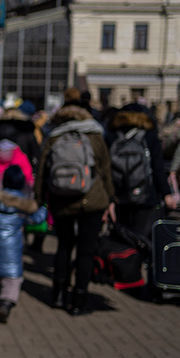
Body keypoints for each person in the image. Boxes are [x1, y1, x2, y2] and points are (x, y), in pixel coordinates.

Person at [34, 103, 115, 316]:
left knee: (63, 246)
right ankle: (79, 300)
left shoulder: (54, 136)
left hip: (61, 199)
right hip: (93, 198)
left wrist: (40, 198)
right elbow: (105, 168)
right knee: (85, 252)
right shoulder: (95, 135)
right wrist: (110, 198)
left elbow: (42, 170)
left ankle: (58, 295)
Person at [0, 166, 47, 323]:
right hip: (13, 247)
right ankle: (6, 302)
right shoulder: (23, 205)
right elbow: (36, 219)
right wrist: (43, 206)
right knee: (12, 278)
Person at [107, 103, 176, 238]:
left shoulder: (112, 135)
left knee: (122, 235)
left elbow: (105, 168)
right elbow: (157, 167)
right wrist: (166, 193)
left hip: (119, 192)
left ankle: (124, 251)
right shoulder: (149, 135)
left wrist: (108, 198)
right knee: (141, 236)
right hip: (146, 193)